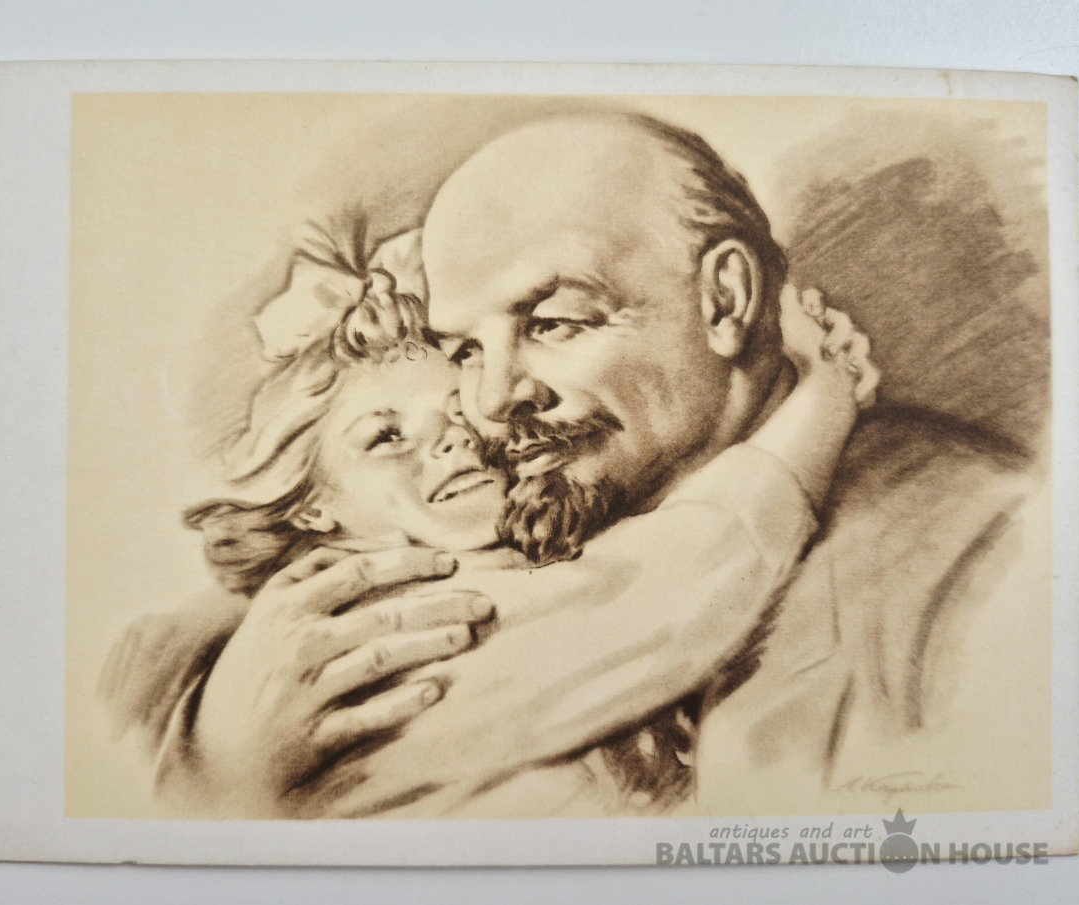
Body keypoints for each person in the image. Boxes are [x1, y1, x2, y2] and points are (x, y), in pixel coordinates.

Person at [103, 216, 878, 817]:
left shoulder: (525, 553)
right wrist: (826, 395)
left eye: (458, 408)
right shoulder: (375, 627)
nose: (450, 440)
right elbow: (677, 582)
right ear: (314, 503)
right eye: (385, 437)